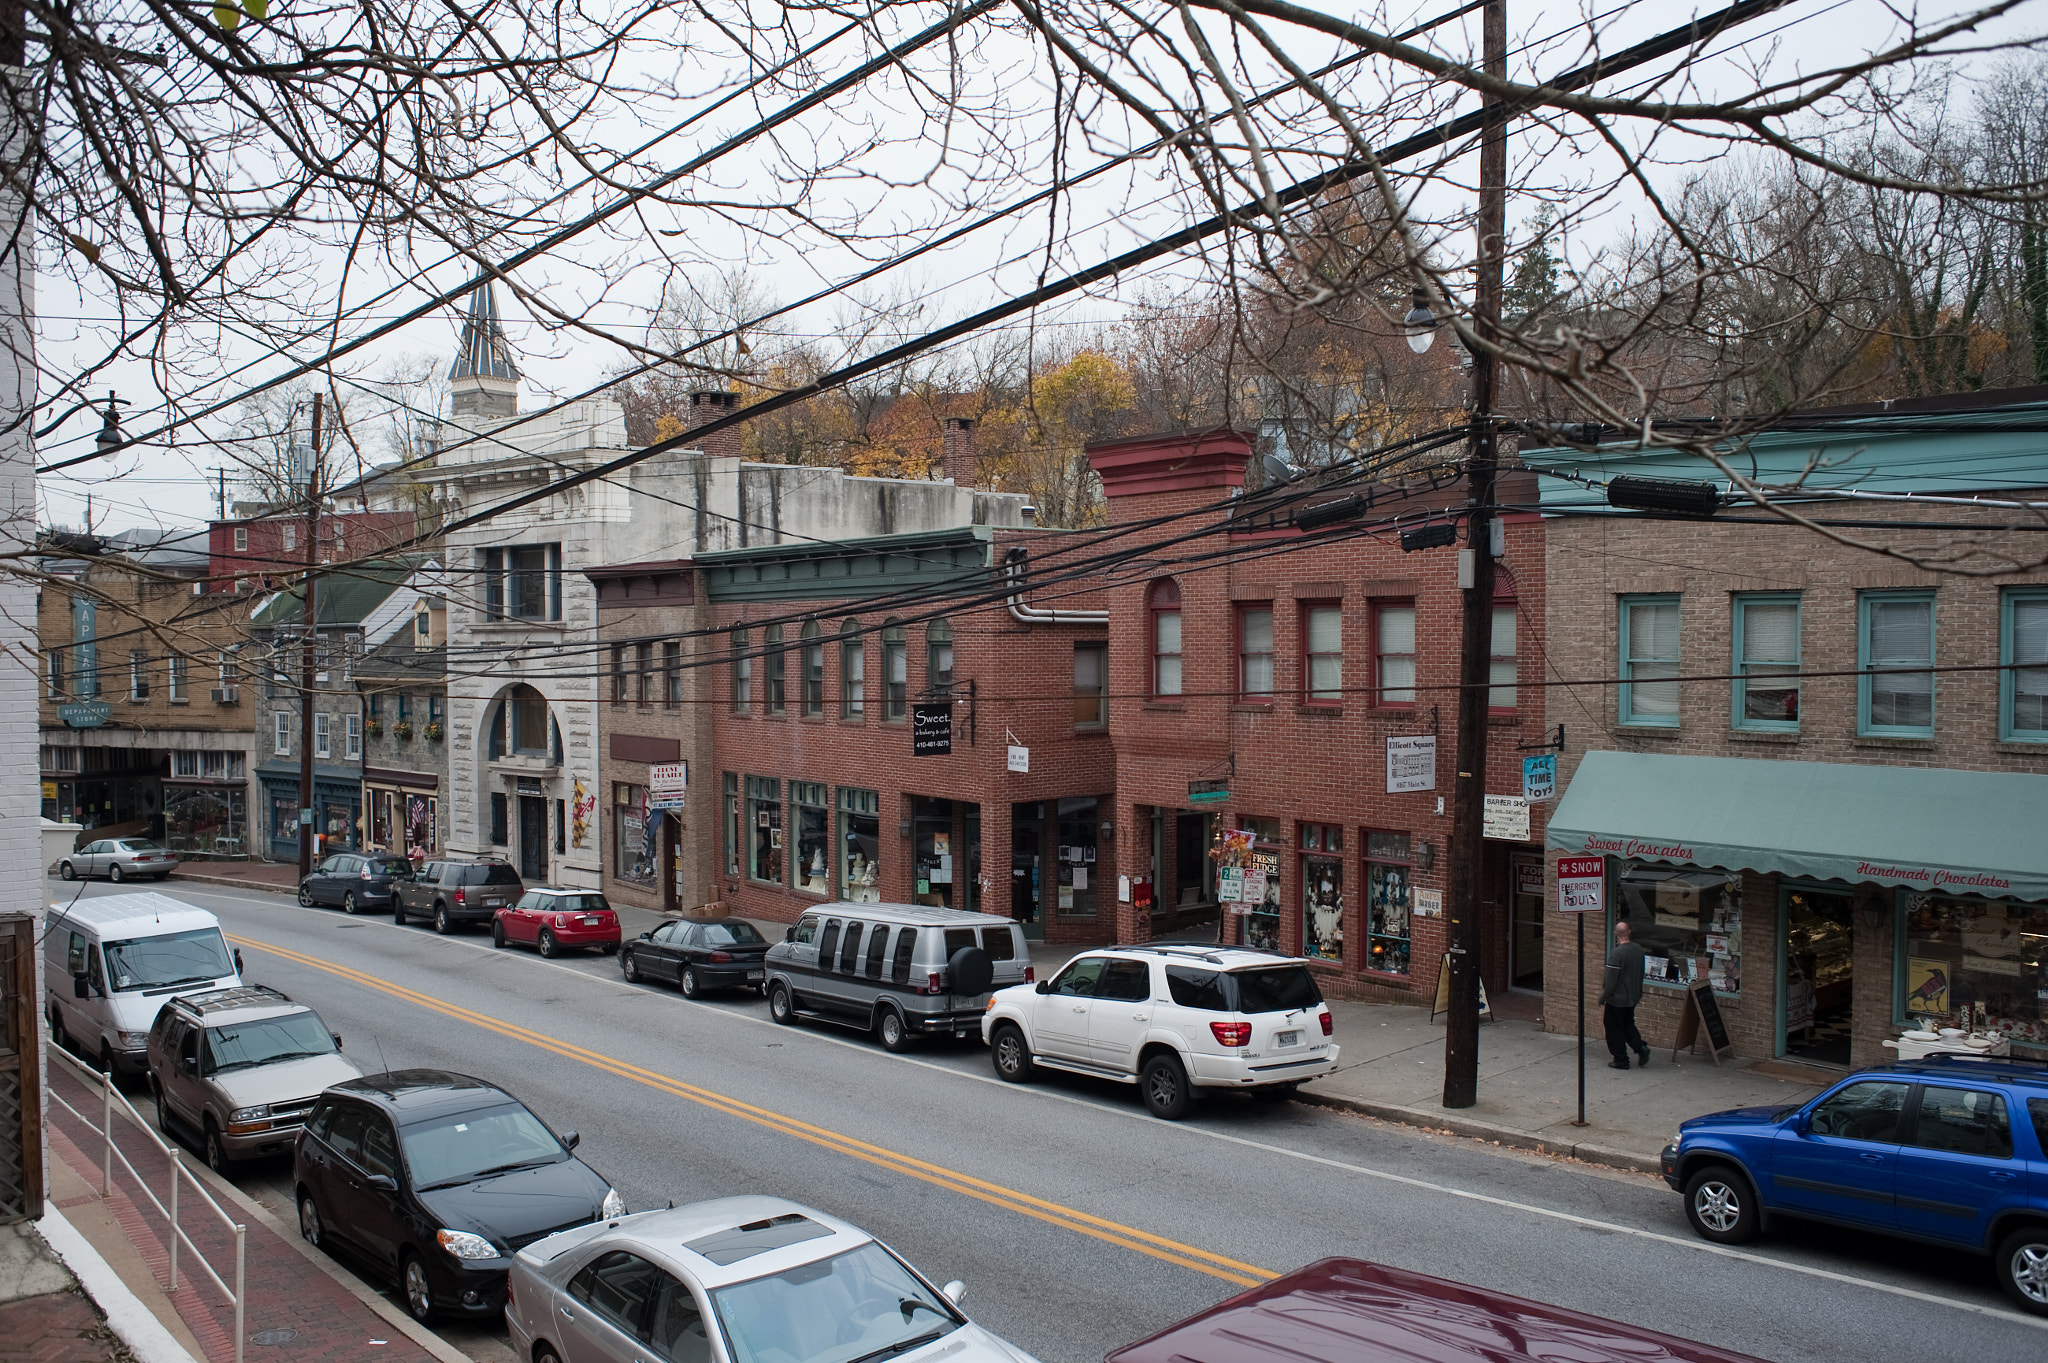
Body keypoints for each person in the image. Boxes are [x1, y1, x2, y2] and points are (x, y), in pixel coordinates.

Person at [1601, 920, 1651, 1069]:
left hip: (1617, 1000)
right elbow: (1640, 973)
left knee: (1613, 1027)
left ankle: (1621, 1059)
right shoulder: (1637, 949)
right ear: (1629, 932)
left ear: (1615, 934)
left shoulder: (1617, 953)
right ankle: (1641, 1048)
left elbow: (1611, 980)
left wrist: (1604, 997)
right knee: (1628, 1023)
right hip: (1632, 997)